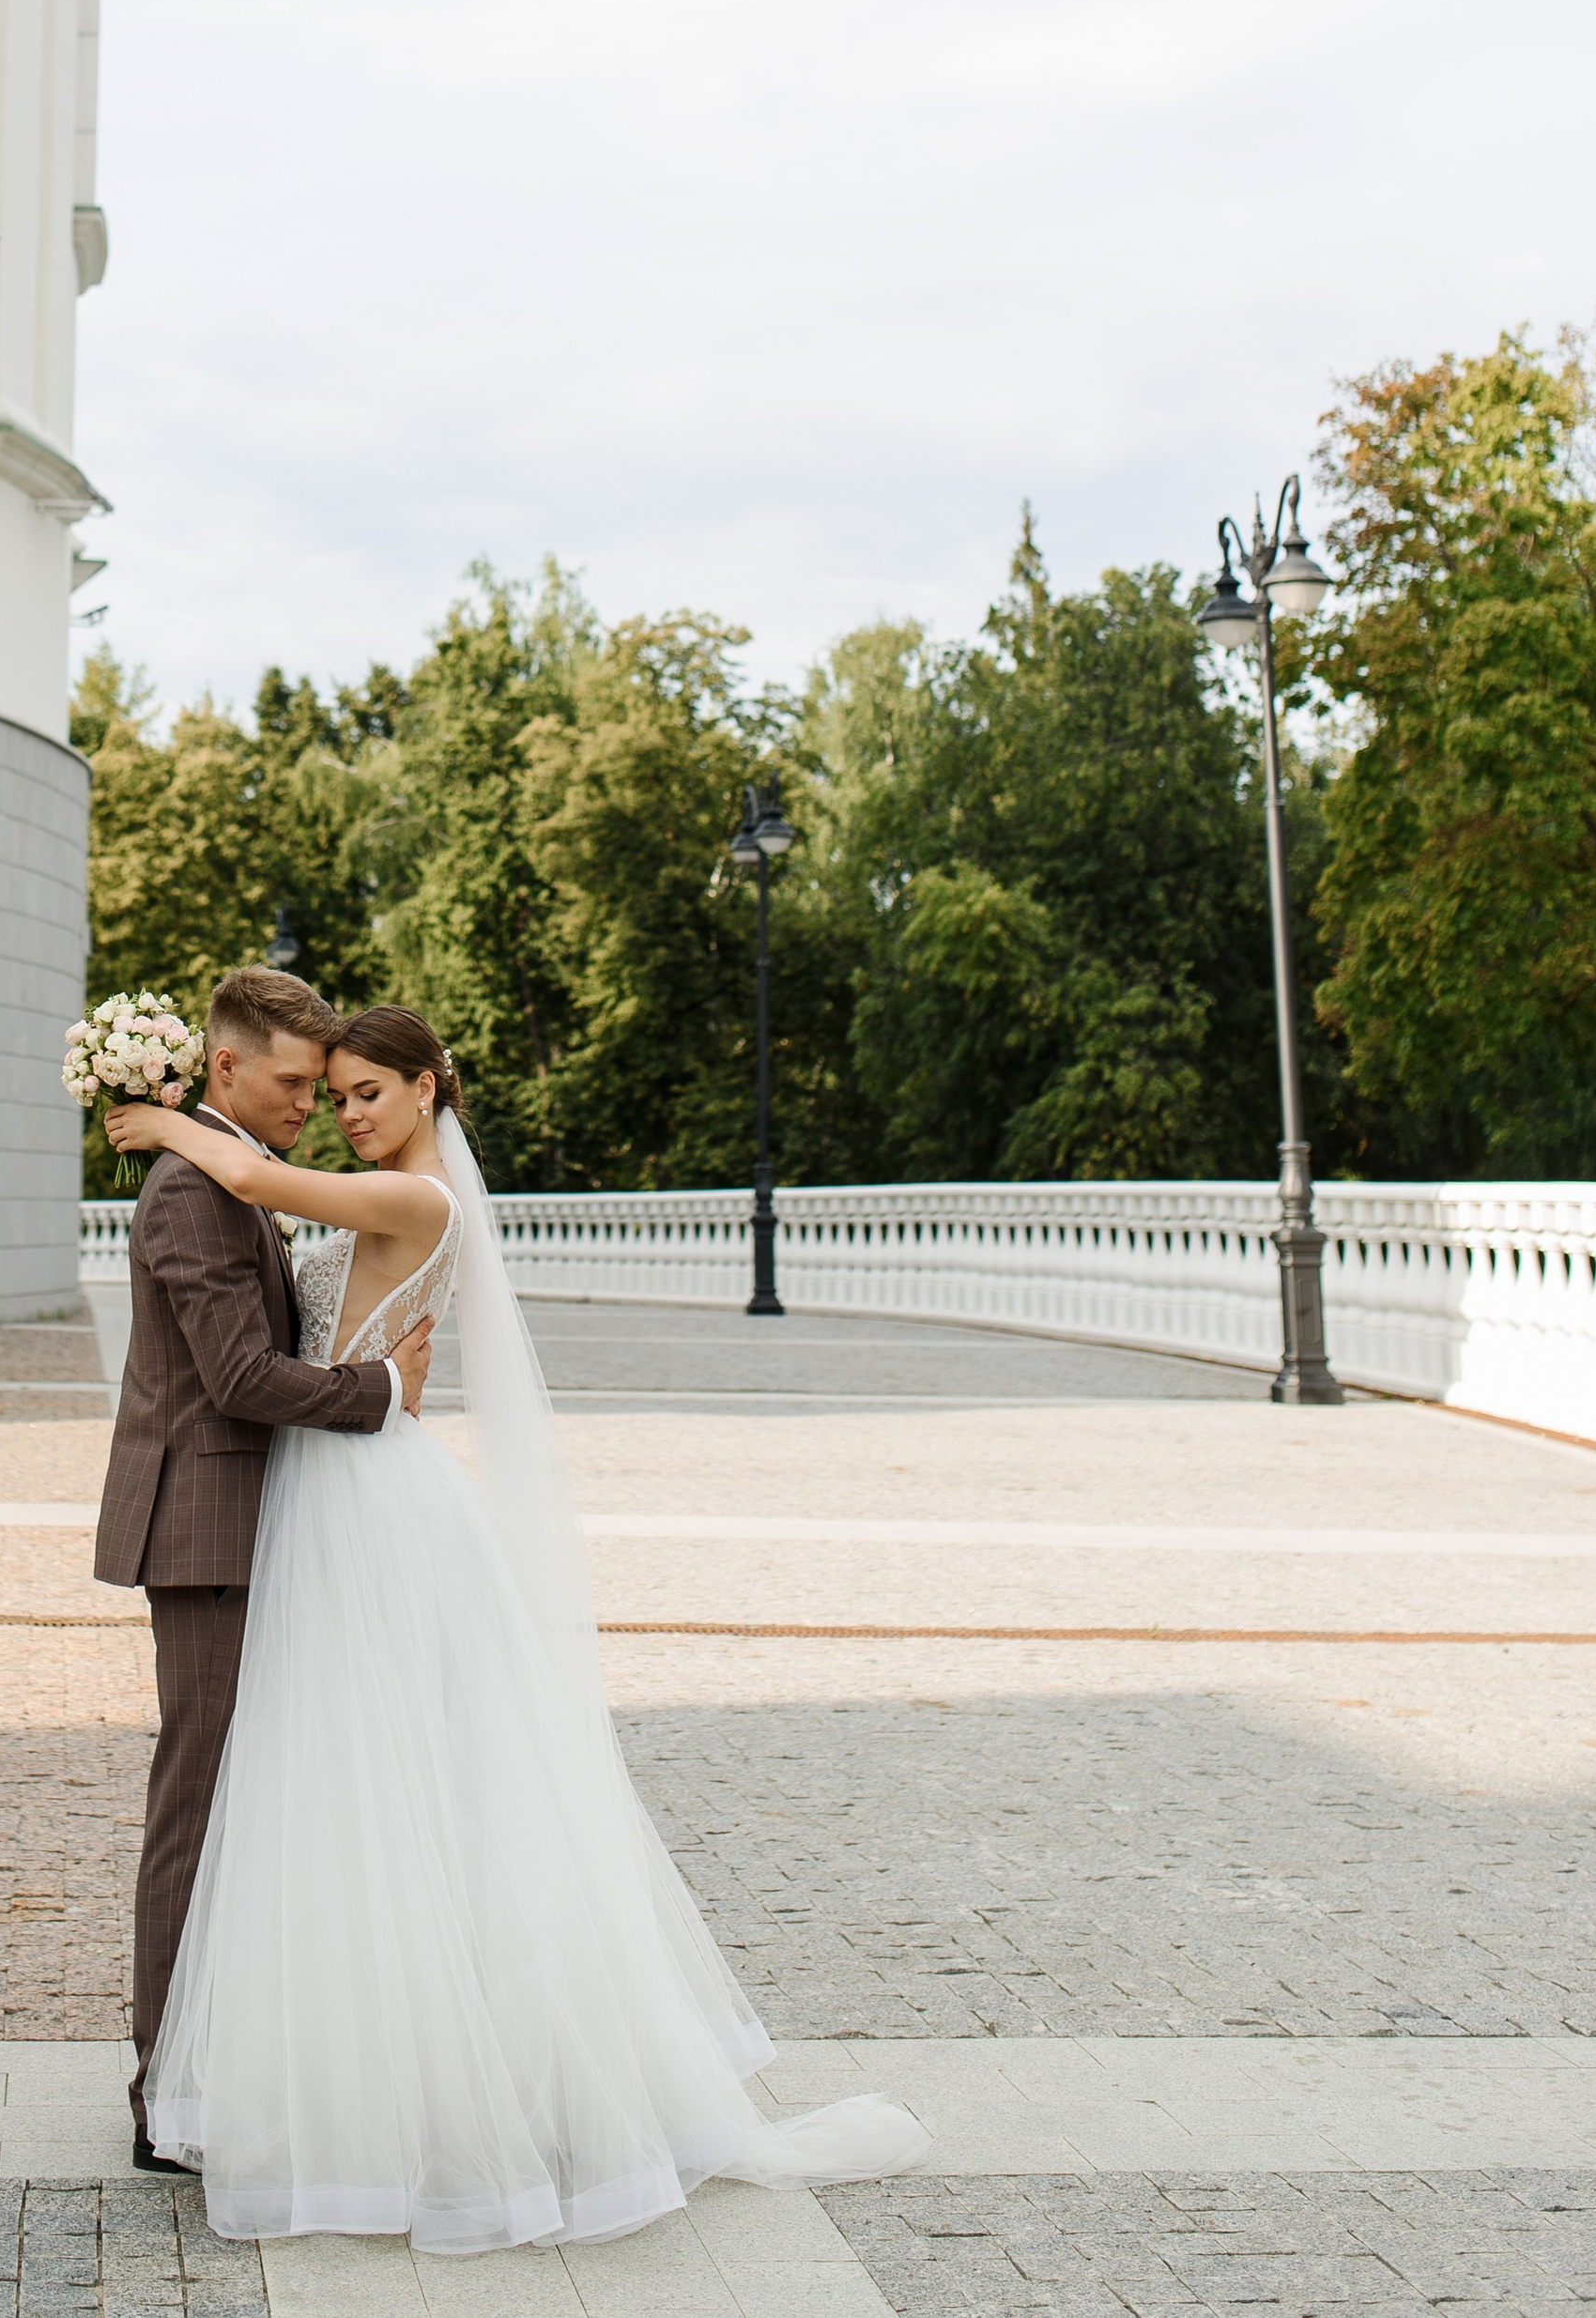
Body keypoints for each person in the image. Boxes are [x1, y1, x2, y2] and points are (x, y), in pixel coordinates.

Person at [104, 1002, 930, 2254]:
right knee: (328, 1786)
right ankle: (320, 2060)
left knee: (377, 1784)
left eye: (370, 1090)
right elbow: (258, 1221)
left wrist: (158, 1114)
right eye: (335, 1091)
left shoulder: (421, 1200)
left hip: (365, 1490)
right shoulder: (384, 1187)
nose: (350, 1111)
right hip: (334, 1486)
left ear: (432, 1087)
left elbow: (256, 1174)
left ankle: (400, 2080)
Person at [92, 964, 436, 2168]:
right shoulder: (192, 1190)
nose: (312, 1106)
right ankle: (163, 2095)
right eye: (294, 1083)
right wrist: (379, 1390)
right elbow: (239, 1379)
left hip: (251, 1520)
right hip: (205, 1531)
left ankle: (220, 2063)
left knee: (250, 1804)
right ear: (224, 1068)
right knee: (195, 1805)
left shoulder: (230, 1174)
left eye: (326, 1085)